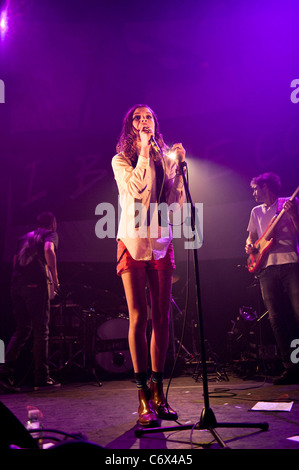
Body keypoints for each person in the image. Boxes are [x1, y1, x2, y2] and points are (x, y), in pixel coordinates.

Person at [112, 104, 185, 426]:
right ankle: (142, 397)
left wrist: (179, 169)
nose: (144, 121)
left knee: (163, 317)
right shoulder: (121, 160)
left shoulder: (163, 159)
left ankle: (158, 392)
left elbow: (174, 203)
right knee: (138, 316)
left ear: (156, 123)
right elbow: (136, 192)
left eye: (149, 117)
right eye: (138, 118)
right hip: (132, 240)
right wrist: (143, 149)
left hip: (160, 239)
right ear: (130, 126)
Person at [245, 172, 299, 385]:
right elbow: (251, 237)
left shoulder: (289, 203)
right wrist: (249, 246)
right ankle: (291, 368)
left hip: (290, 263)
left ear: (265, 186)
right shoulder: (255, 211)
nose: (253, 193)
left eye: (255, 188)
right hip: (266, 269)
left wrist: (294, 215)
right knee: (275, 319)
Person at [0, 212, 61, 392]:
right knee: (41, 331)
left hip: (17, 285)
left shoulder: (23, 237)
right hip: (35, 286)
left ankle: (4, 373)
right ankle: (41, 377)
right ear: (52, 223)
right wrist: (55, 279)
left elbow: (14, 259)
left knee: (22, 330)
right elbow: (49, 250)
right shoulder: (49, 234)